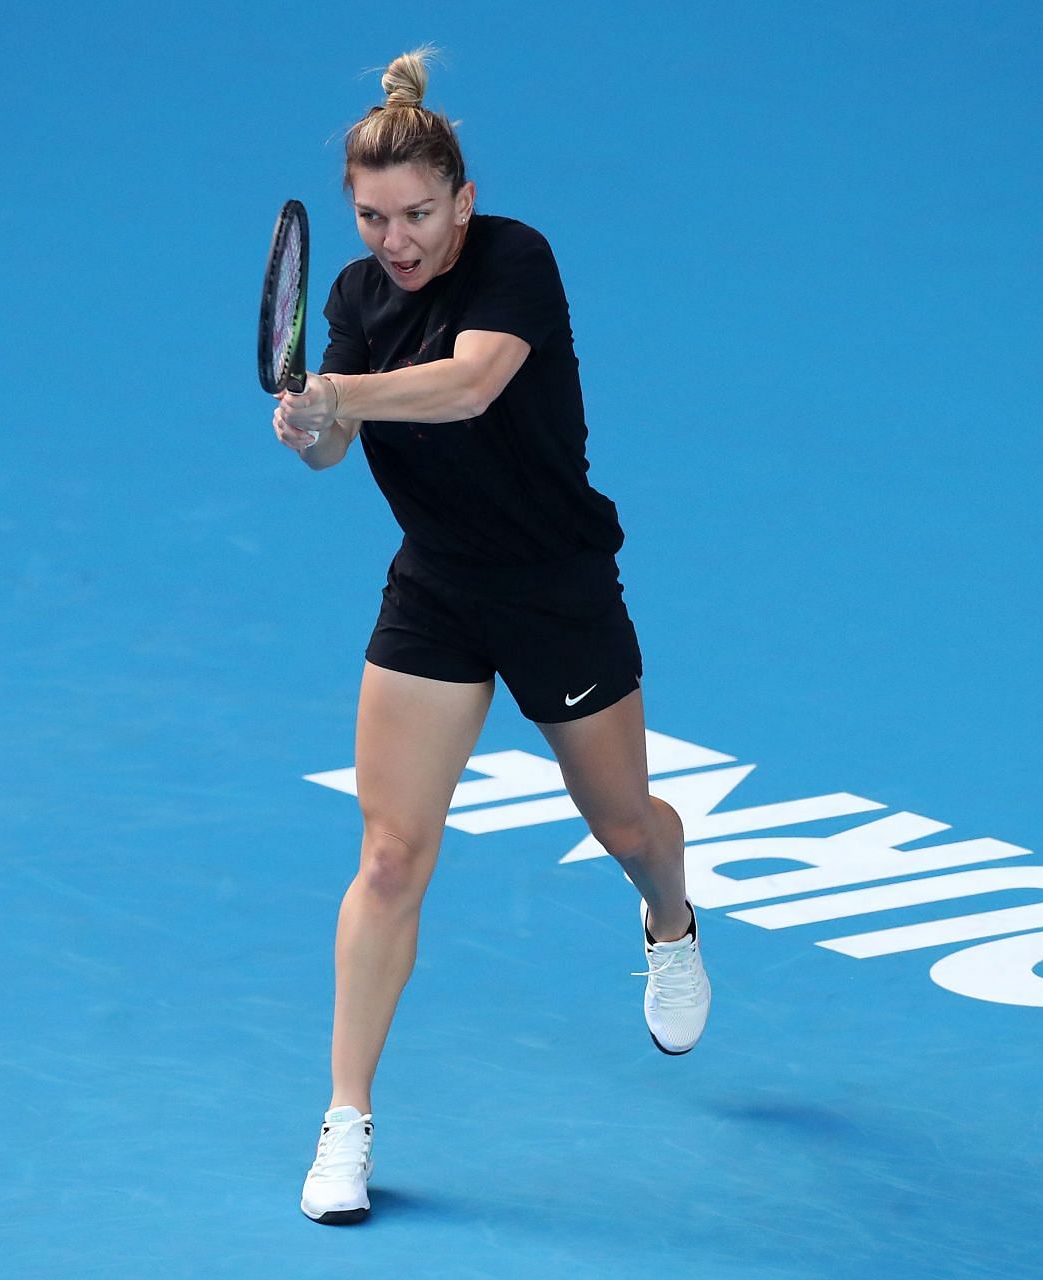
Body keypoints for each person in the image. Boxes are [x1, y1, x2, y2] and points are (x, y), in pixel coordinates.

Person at [271, 49, 712, 1226]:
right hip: (436, 590)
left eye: (416, 213)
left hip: (556, 586)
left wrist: (344, 391)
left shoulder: (517, 260)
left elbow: (468, 387)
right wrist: (310, 419)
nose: (395, 238)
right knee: (388, 854)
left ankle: (670, 919)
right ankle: (346, 1119)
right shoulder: (360, 301)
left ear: (461, 200)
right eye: (372, 218)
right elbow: (331, 452)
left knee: (626, 822)